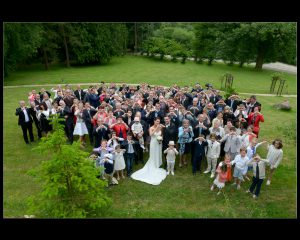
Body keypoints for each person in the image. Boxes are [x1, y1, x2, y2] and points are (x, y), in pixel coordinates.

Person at [130, 117, 167, 185]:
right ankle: (153, 165)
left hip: (159, 143)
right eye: (156, 121)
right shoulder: (151, 128)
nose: (158, 123)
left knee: (158, 153)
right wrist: (156, 128)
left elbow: (161, 134)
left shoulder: (160, 127)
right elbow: (151, 134)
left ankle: (157, 164)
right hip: (153, 143)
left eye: (158, 121)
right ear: (154, 121)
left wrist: (161, 138)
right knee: (153, 154)